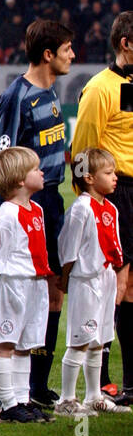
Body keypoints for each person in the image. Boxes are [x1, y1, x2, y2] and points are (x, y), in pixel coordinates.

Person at [0, 20, 74, 412]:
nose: (73, 55)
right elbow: (4, 158)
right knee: (15, 297)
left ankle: (35, 387)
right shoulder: (16, 97)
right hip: (22, 209)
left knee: (50, 293)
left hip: (49, 201)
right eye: (68, 48)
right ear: (48, 54)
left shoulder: (51, 92)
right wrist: (8, 211)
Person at [69, 11, 133, 402]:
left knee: (132, 287)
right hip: (117, 191)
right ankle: (102, 382)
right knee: (115, 285)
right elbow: (83, 151)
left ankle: (128, 383)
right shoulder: (99, 88)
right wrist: (88, 201)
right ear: (126, 43)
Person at [0, 146, 53, 423]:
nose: (41, 172)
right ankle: (8, 404)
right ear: (21, 180)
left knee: (25, 344)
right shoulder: (8, 213)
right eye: (35, 169)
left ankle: (23, 400)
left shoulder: (37, 209)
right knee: (6, 343)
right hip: (14, 285)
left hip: (35, 284)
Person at [57, 148, 129, 416]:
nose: (115, 178)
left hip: (105, 278)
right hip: (85, 281)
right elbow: (68, 248)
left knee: (98, 340)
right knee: (80, 339)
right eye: (108, 173)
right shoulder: (81, 209)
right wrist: (65, 280)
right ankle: (66, 399)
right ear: (88, 177)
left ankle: (93, 395)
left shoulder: (110, 207)